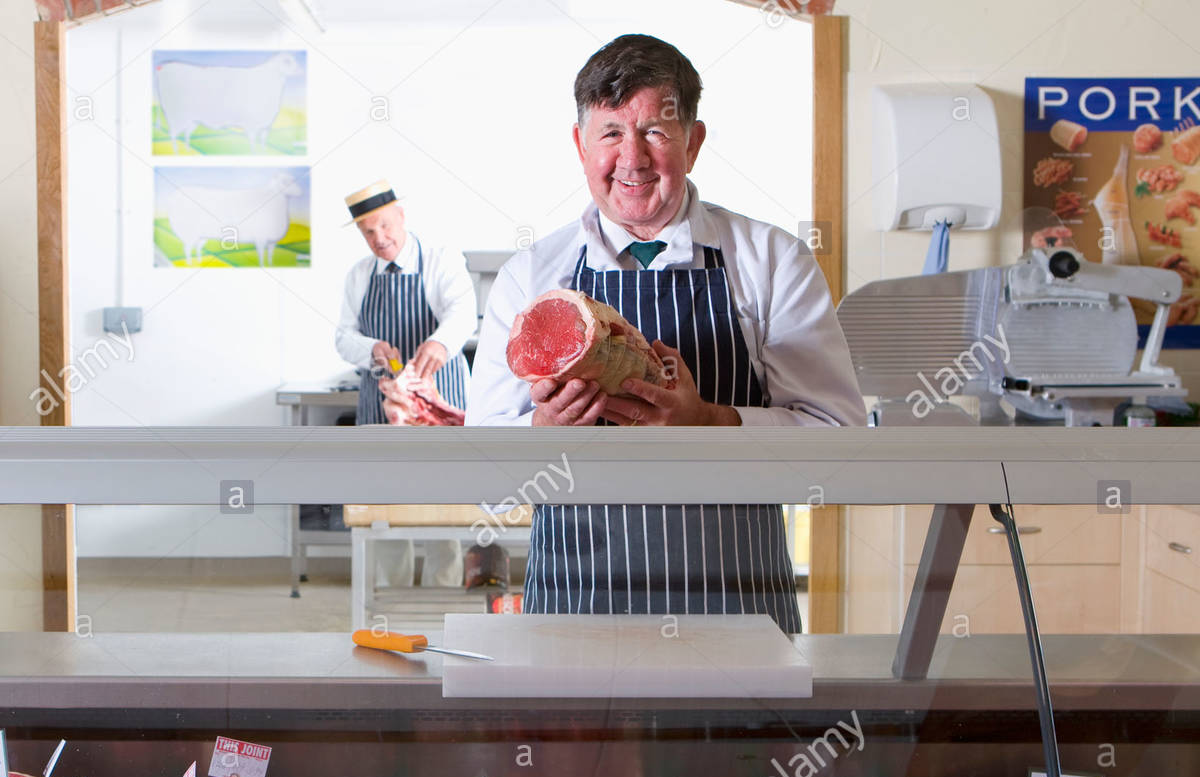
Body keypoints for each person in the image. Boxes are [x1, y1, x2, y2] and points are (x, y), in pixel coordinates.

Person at [467, 35, 866, 632]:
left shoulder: (771, 260)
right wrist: (542, 430)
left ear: (693, 141)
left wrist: (709, 422)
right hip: (576, 608)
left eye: (655, 130)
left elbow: (842, 447)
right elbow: (484, 483)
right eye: (610, 134)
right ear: (580, 145)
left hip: (738, 608)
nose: (632, 159)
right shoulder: (530, 276)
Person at [335, 180, 478, 587]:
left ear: (402, 215)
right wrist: (371, 347)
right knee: (384, 501)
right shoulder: (359, 275)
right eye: (367, 232)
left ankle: (442, 597)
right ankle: (388, 599)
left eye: (384, 226)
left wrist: (440, 341)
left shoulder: (440, 259)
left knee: (443, 499)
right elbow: (342, 337)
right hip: (381, 404)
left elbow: (464, 311)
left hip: (439, 398)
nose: (379, 239)